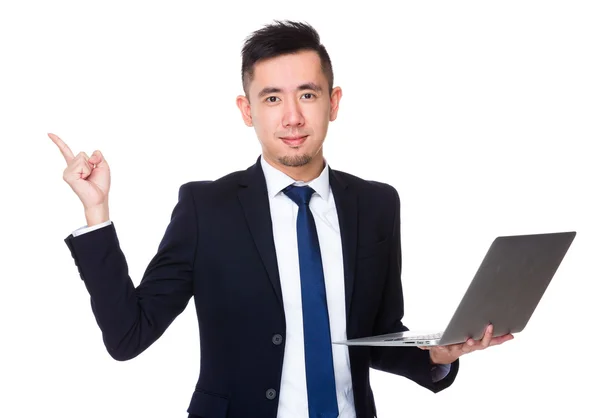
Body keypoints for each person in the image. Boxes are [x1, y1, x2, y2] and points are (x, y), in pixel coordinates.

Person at [50, 20, 513, 418]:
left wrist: (435, 354)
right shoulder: (205, 209)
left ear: (333, 102)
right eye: (272, 99)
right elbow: (128, 336)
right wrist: (97, 213)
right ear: (246, 111)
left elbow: (373, 337)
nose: (292, 117)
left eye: (306, 94)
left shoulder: (376, 205)